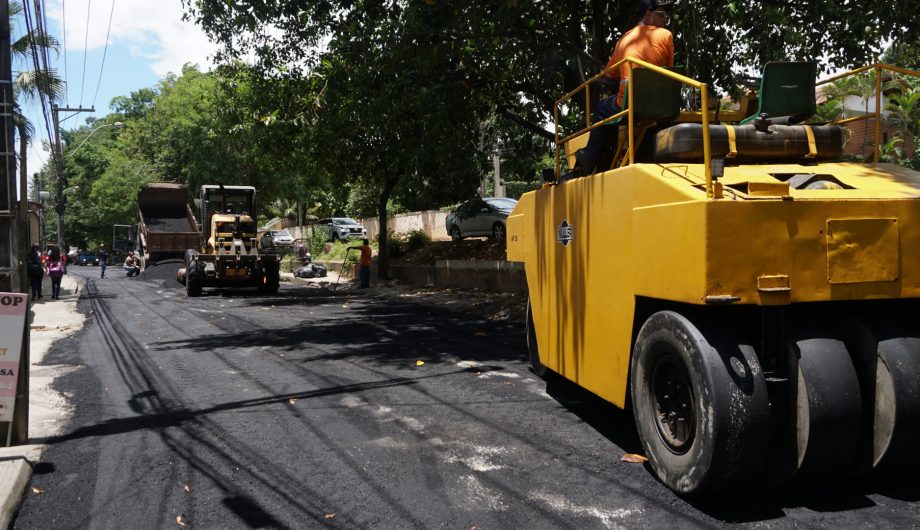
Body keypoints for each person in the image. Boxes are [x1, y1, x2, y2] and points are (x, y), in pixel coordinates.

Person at [575, 0, 674, 175]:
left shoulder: (624, 40)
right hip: (660, 106)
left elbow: (608, 74)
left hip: (628, 104)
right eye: (661, 14)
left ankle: (590, 157)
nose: (665, 19)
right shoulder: (666, 36)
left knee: (600, 110)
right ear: (647, 15)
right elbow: (668, 71)